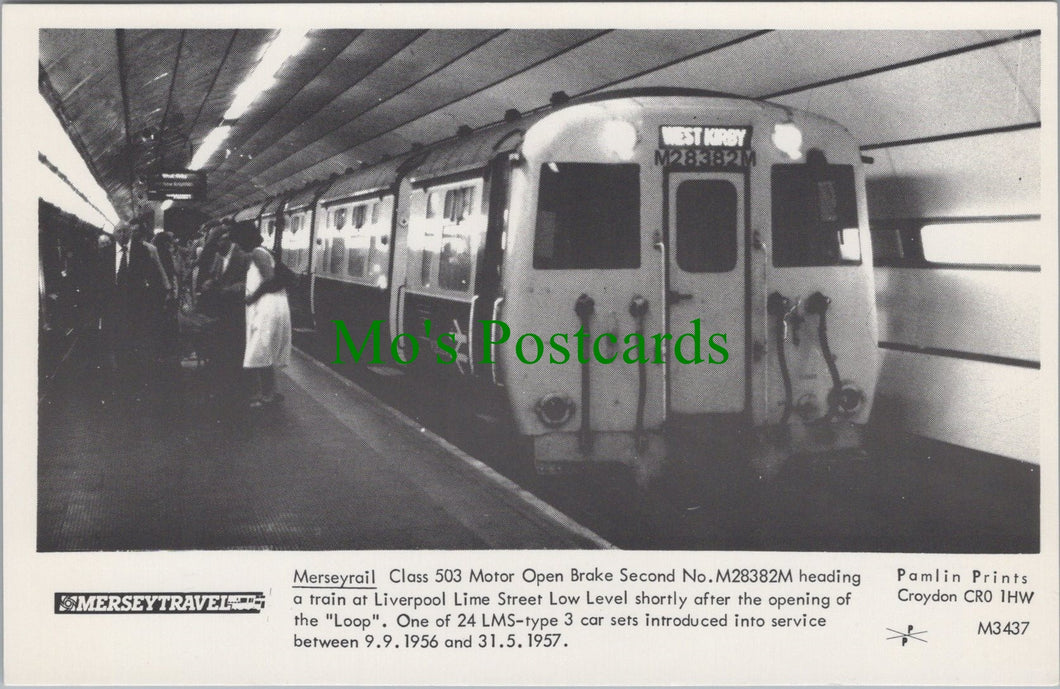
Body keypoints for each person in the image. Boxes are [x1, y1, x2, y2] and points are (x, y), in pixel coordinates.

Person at [231, 221, 291, 407]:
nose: (237, 245)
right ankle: (270, 392)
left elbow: (269, 279)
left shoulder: (258, 252)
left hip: (267, 306)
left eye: (238, 240)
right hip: (269, 304)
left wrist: (252, 297)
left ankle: (264, 395)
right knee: (262, 349)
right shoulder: (260, 252)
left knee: (259, 349)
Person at [200, 228, 250, 401]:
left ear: (228, 240)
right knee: (222, 346)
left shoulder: (244, 256)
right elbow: (214, 276)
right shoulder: (219, 256)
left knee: (235, 347)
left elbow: (249, 281)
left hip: (236, 309)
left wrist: (235, 288)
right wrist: (209, 282)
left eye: (220, 241)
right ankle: (223, 383)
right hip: (220, 308)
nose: (217, 245)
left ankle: (235, 386)